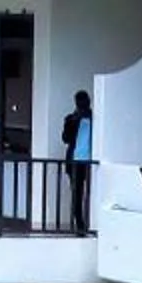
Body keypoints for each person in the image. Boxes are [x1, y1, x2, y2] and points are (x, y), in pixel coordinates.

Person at [61, 88, 94, 231]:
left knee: (91, 193)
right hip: (75, 161)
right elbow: (65, 138)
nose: (82, 106)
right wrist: (74, 121)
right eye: (80, 104)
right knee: (77, 193)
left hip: (90, 161)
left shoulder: (95, 118)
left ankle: (90, 222)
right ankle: (80, 224)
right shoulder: (71, 119)